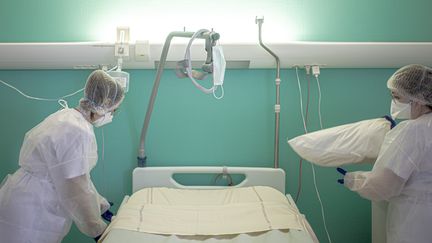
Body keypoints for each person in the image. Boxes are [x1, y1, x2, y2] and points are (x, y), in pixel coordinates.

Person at [0, 70, 124, 243]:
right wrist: (96, 229)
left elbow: (76, 176)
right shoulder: (78, 131)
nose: (112, 115)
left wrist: (100, 205)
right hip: (34, 209)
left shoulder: (66, 117)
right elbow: (75, 186)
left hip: (23, 195)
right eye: (114, 111)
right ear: (106, 103)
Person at [337, 64, 432, 243]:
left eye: (397, 97)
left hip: (415, 223)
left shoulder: (412, 131)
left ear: (418, 99)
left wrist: (352, 180)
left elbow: (383, 186)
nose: (394, 102)